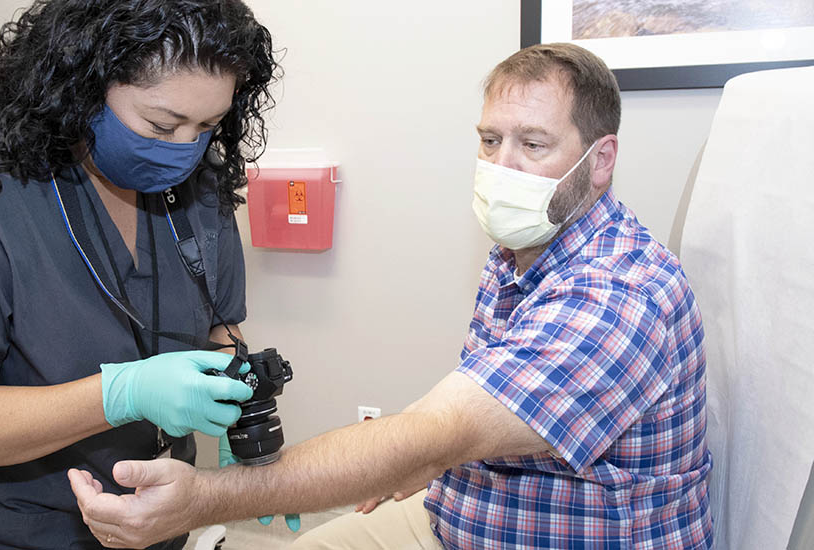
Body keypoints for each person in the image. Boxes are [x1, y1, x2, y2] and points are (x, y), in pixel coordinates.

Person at [68, 42, 713, 549]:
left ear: (600, 161)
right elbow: (466, 422)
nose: (500, 166)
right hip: (460, 514)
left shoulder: (620, 296)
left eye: (534, 145)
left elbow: (435, 431)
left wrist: (207, 497)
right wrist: (417, 466)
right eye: (490, 140)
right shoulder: (523, 252)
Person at [0, 1, 279, 548]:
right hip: (21, 529)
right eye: (161, 124)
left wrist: (252, 438)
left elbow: (220, 329)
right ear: (82, 84)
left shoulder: (198, 187)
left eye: (207, 125)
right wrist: (123, 394)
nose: (184, 150)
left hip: (161, 518)